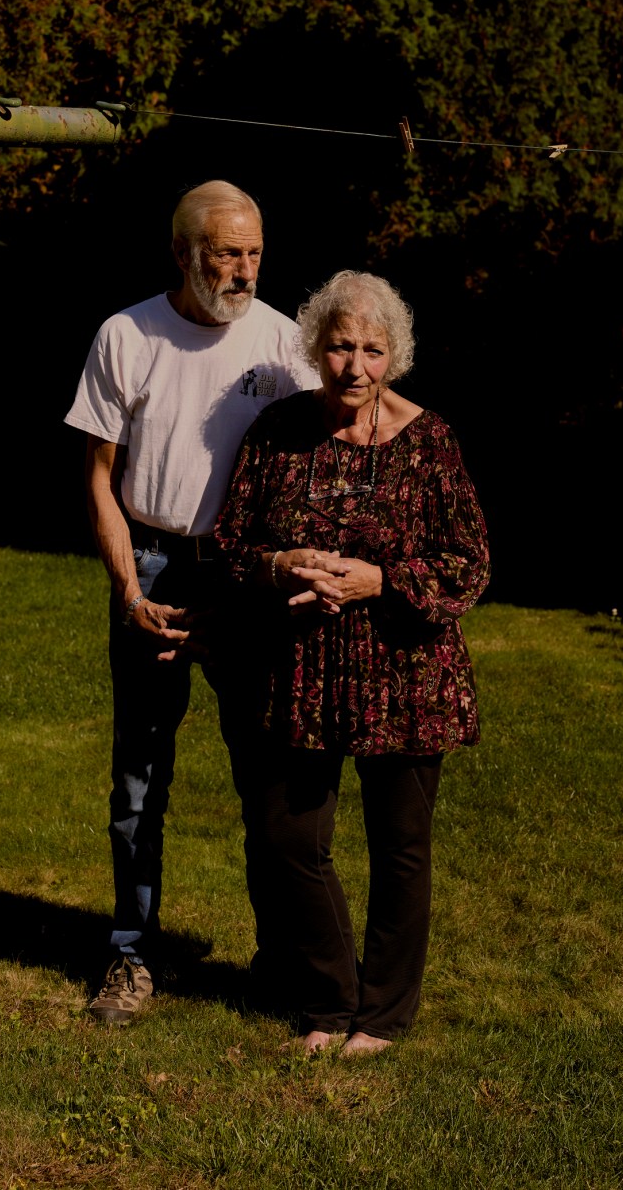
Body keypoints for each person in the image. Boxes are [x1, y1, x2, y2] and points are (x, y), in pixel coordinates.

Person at [214, 270, 489, 1056]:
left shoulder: (429, 439)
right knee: (287, 838)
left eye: (372, 349)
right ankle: (329, 997)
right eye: (339, 346)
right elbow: (232, 547)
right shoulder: (274, 431)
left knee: (400, 846)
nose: (355, 366)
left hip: (404, 672)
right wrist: (281, 565)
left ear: (393, 355)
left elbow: (468, 562)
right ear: (314, 347)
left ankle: (384, 1015)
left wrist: (382, 580)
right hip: (296, 671)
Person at [65, 180, 310, 1024]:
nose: (240, 271)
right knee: (138, 775)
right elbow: (96, 478)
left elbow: (313, 476)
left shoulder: (285, 345)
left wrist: (268, 580)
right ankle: (130, 957)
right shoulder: (126, 335)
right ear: (181, 254)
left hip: (246, 577)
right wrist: (129, 589)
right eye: (223, 254)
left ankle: (278, 963)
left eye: (252, 254)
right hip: (156, 563)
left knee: (266, 775)